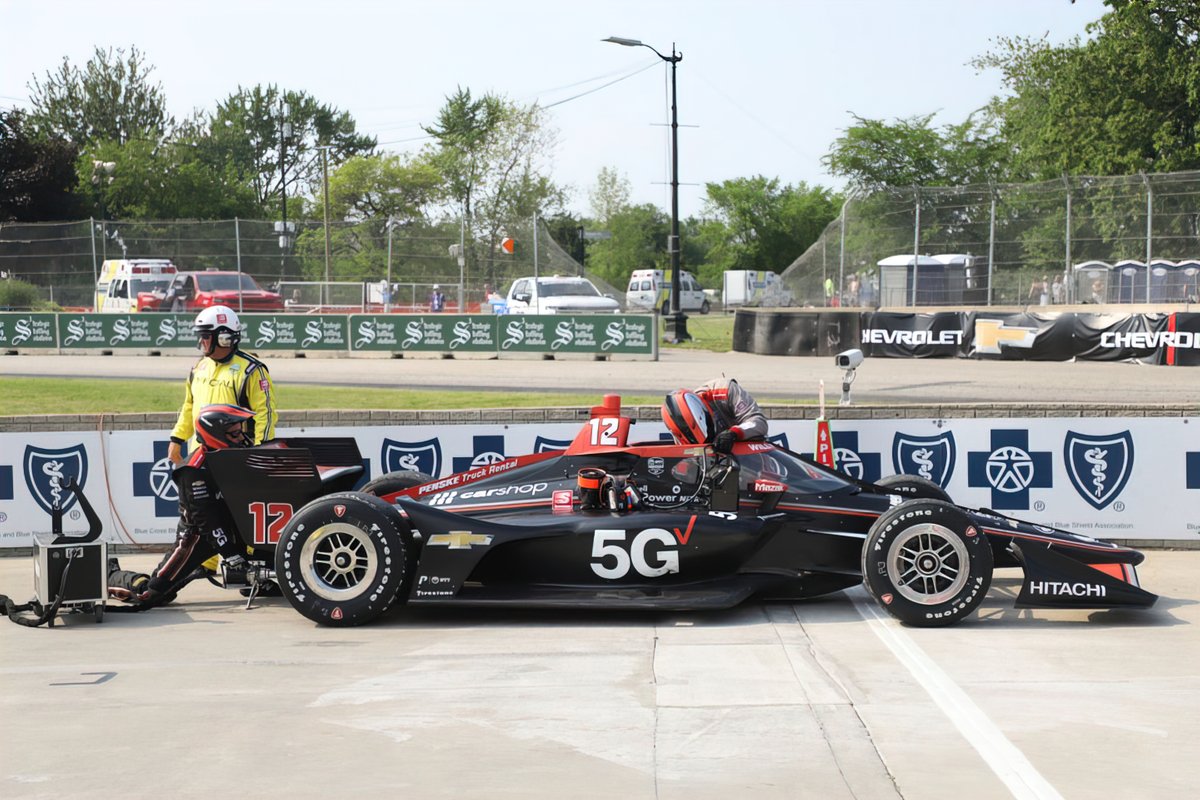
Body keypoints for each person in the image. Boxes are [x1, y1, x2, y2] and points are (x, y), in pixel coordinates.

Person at [108, 405, 259, 605]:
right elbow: (206, 520)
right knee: (152, 594)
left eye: (242, 431)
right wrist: (230, 553)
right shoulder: (192, 470)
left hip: (233, 528)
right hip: (197, 538)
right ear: (216, 434)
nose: (241, 438)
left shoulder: (233, 456)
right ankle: (109, 574)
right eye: (235, 433)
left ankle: (258, 581)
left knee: (262, 575)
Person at [168, 305, 278, 466]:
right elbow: (189, 407)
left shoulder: (251, 370)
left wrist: (260, 451)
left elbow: (265, 414)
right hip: (199, 455)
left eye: (205, 335)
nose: (201, 341)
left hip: (236, 456)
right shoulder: (199, 368)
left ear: (223, 337)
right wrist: (177, 439)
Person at [661, 378, 768, 454]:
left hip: (749, 453)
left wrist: (734, 433)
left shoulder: (725, 390)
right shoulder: (679, 432)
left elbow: (759, 422)